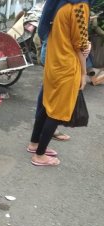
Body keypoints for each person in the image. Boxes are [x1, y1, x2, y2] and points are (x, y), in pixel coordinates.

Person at [27, 0, 91, 166]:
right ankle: (39, 156)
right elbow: (81, 45)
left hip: (53, 62)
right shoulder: (79, 7)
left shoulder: (60, 4)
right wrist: (84, 72)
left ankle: (34, 144)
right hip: (66, 66)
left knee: (46, 105)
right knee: (57, 111)